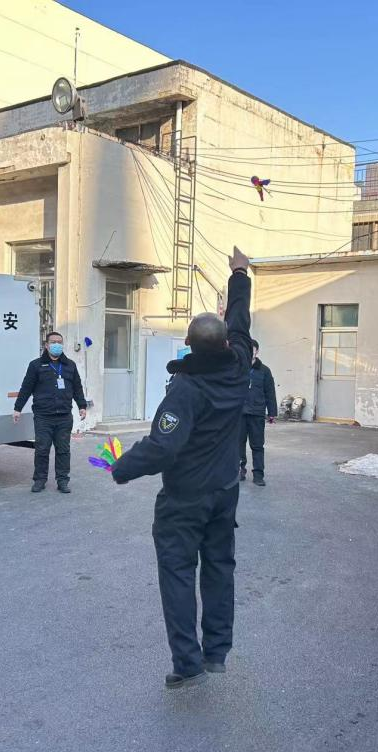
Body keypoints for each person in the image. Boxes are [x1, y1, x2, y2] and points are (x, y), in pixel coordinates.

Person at [112, 247, 253, 689]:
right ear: (227, 344)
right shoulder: (239, 368)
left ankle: (188, 664)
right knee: (219, 568)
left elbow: (162, 447)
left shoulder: (186, 391)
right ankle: (217, 652)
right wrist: (239, 274)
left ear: (188, 345)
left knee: (177, 573)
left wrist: (121, 467)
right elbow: (241, 321)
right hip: (225, 490)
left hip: (186, 499)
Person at [13, 331, 87, 494]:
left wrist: (82, 405)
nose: (57, 345)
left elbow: (77, 387)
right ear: (46, 345)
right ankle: (40, 480)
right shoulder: (36, 365)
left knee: (63, 450)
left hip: (64, 417)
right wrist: (18, 408)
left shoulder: (70, 365)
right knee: (42, 449)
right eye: (53, 342)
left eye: (59, 342)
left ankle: (62, 480)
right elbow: (26, 388)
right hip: (43, 417)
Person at [239, 340, 278, 487]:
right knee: (238, 444)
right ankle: (239, 471)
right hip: (239, 413)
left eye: (253, 349)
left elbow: (270, 392)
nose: (250, 352)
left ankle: (258, 475)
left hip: (257, 413)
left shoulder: (264, 371)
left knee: (257, 445)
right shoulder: (237, 368)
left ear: (257, 351)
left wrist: (272, 412)